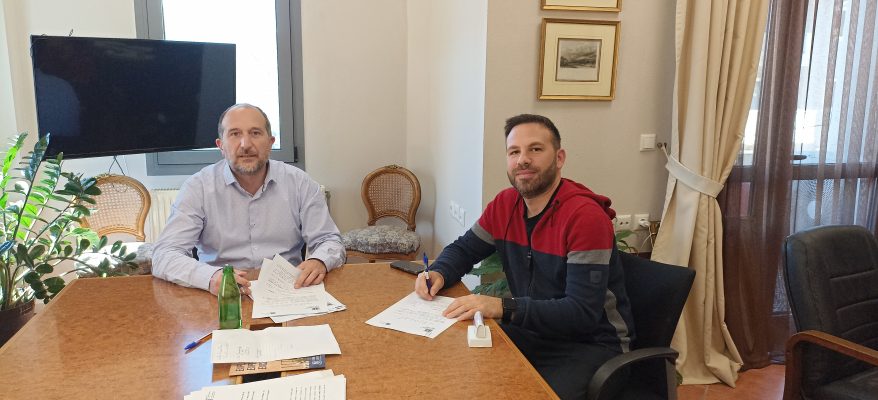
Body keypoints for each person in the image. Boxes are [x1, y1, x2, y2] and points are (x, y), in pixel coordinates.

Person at [414, 114, 634, 399]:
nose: (523, 160)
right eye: (514, 152)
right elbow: (464, 249)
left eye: (535, 149)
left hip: (591, 345)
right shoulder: (504, 205)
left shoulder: (585, 218)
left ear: (559, 158)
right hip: (532, 332)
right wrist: (440, 271)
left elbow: (581, 313)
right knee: (458, 370)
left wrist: (502, 306)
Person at [152, 103, 345, 295]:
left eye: (255, 133)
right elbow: (165, 255)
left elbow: (329, 240)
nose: (245, 144)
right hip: (221, 294)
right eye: (235, 134)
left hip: (288, 291)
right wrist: (210, 277)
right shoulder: (198, 188)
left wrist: (319, 261)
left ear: (270, 142)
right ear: (221, 145)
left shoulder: (300, 183)